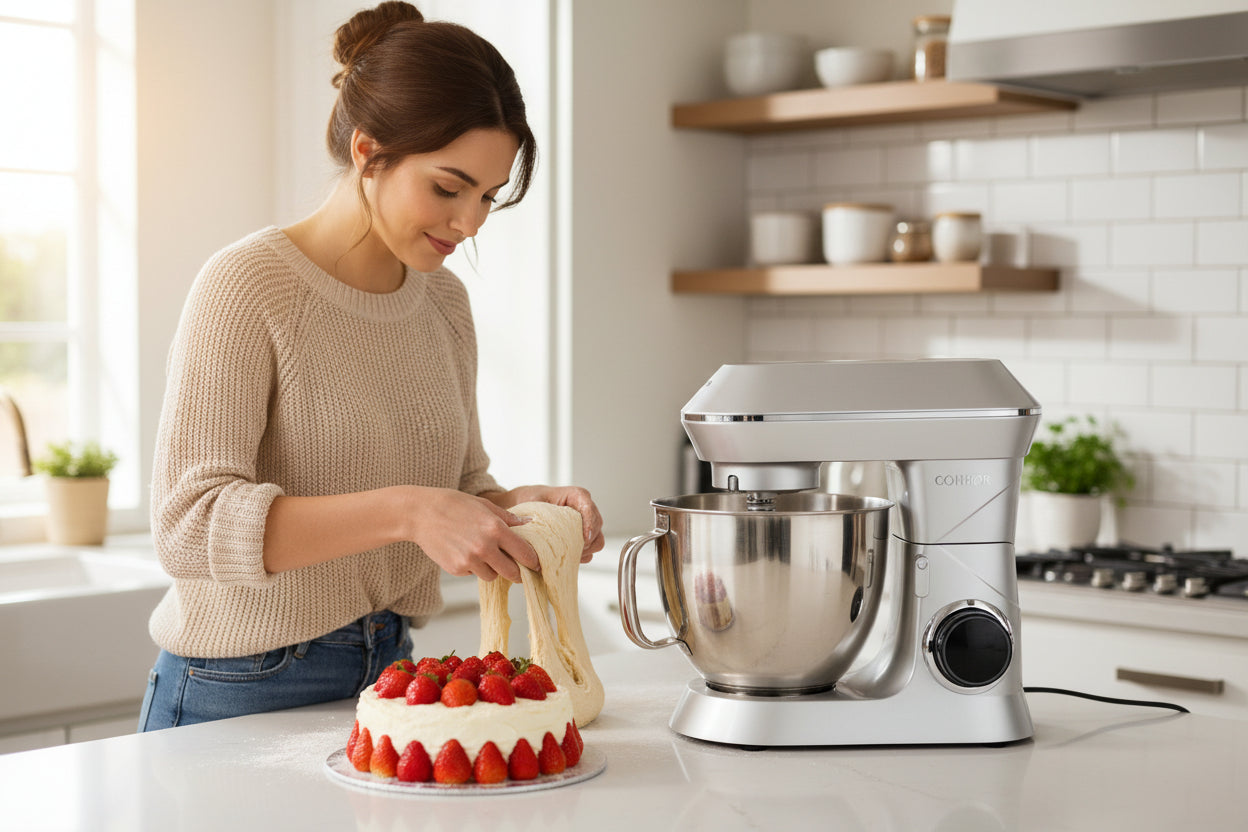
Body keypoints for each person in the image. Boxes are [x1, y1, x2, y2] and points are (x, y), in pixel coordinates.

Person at [138, 1, 603, 731]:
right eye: (448, 188)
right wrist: (411, 511)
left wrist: (524, 510)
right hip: (239, 684)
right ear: (367, 151)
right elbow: (187, 527)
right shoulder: (249, 286)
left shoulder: (444, 303)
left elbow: (456, 490)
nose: (470, 223)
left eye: (488, 196)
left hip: (394, 680)